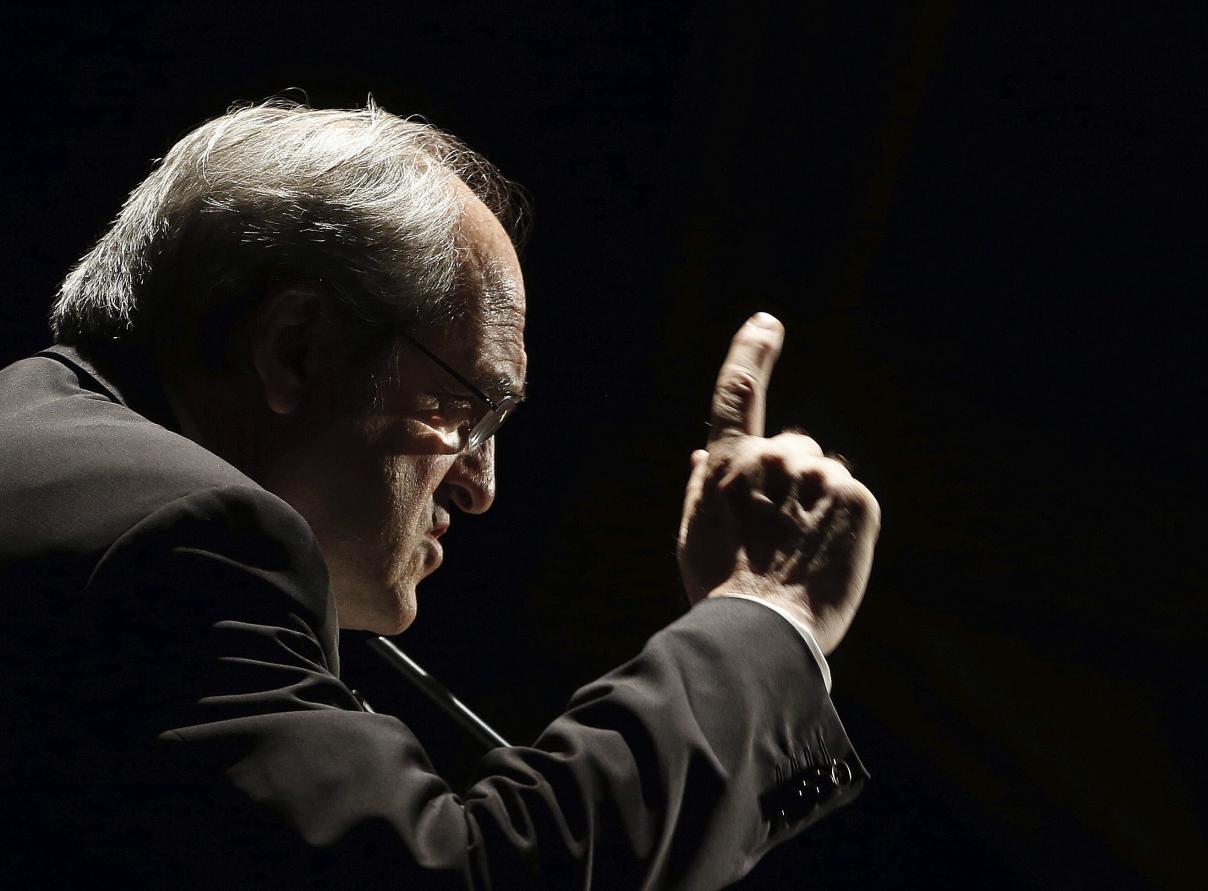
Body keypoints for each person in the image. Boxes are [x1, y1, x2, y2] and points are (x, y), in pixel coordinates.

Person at [0, 100, 881, 888]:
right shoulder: (185, 542)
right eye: (467, 409)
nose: (481, 485)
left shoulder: (51, 441)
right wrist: (766, 610)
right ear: (296, 349)